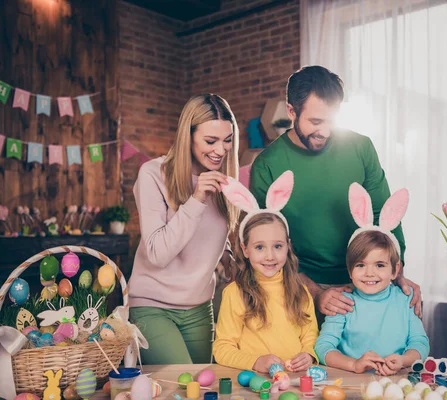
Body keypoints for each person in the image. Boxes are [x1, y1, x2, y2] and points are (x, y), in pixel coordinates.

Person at [250, 65, 422, 321]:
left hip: (364, 285)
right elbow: (263, 246)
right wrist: (316, 293)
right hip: (298, 290)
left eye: (332, 120)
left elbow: (384, 214)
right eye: (316, 122)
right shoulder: (267, 165)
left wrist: (398, 274)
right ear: (291, 111)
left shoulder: (361, 147)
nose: (326, 132)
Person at [128, 94, 239, 364]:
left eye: (227, 140)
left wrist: (229, 256)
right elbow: (157, 254)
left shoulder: (224, 183)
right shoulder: (153, 174)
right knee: (182, 385)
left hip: (200, 308)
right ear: (187, 136)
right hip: (152, 307)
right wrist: (196, 199)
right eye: (210, 141)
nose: (220, 150)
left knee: (201, 387)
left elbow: (209, 237)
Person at [314, 184, 429, 375]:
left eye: (380, 265)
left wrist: (403, 360)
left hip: (395, 383)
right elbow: (323, 347)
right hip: (351, 384)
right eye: (360, 265)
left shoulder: (405, 300)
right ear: (350, 271)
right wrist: (353, 364)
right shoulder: (343, 302)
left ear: (395, 270)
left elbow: (420, 343)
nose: (369, 273)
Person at [213, 171, 319, 373]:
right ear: (245, 250)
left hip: (295, 381)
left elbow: (309, 334)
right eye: (260, 247)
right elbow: (222, 348)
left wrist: (309, 355)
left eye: (277, 246)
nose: (270, 256)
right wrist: (255, 362)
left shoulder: (300, 290)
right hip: (255, 382)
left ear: (288, 246)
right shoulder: (235, 294)